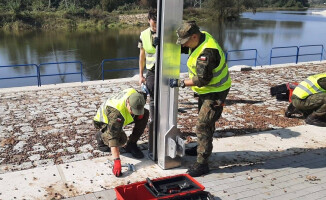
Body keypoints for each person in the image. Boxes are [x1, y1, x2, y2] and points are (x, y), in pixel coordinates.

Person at [170, 21, 231, 177]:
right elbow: (189, 49)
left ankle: (202, 163)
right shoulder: (202, 37)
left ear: (194, 36)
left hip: (215, 92)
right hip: (208, 91)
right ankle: (201, 147)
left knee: (203, 125)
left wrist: (181, 83)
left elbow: (203, 79)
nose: (184, 45)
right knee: (205, 123)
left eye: (185, 42)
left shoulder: (207, 53)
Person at [93, 88, 149, 177]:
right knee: (121, 139)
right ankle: (101, 136)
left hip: (120, 115)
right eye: (133, 109)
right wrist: (117, 161)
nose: (135, 113)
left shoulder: (138, 96)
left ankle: (131, 144)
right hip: (103, 121)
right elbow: (113, 137)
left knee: (145, 113)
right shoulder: (116, 114)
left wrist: (140, 113)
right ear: (128, 102)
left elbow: (143, 97)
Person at [138, 9, 159, 134]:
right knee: (151, 94)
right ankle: (153, 121)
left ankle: (164, 121)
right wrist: (140, 75)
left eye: (158, 23)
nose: (156, 26)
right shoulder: (144, 34)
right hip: (151, 69)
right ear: (149, 21)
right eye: (154, 23)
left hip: (166, 69)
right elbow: (142, 56)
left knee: (167, 95)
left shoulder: (167, 32)